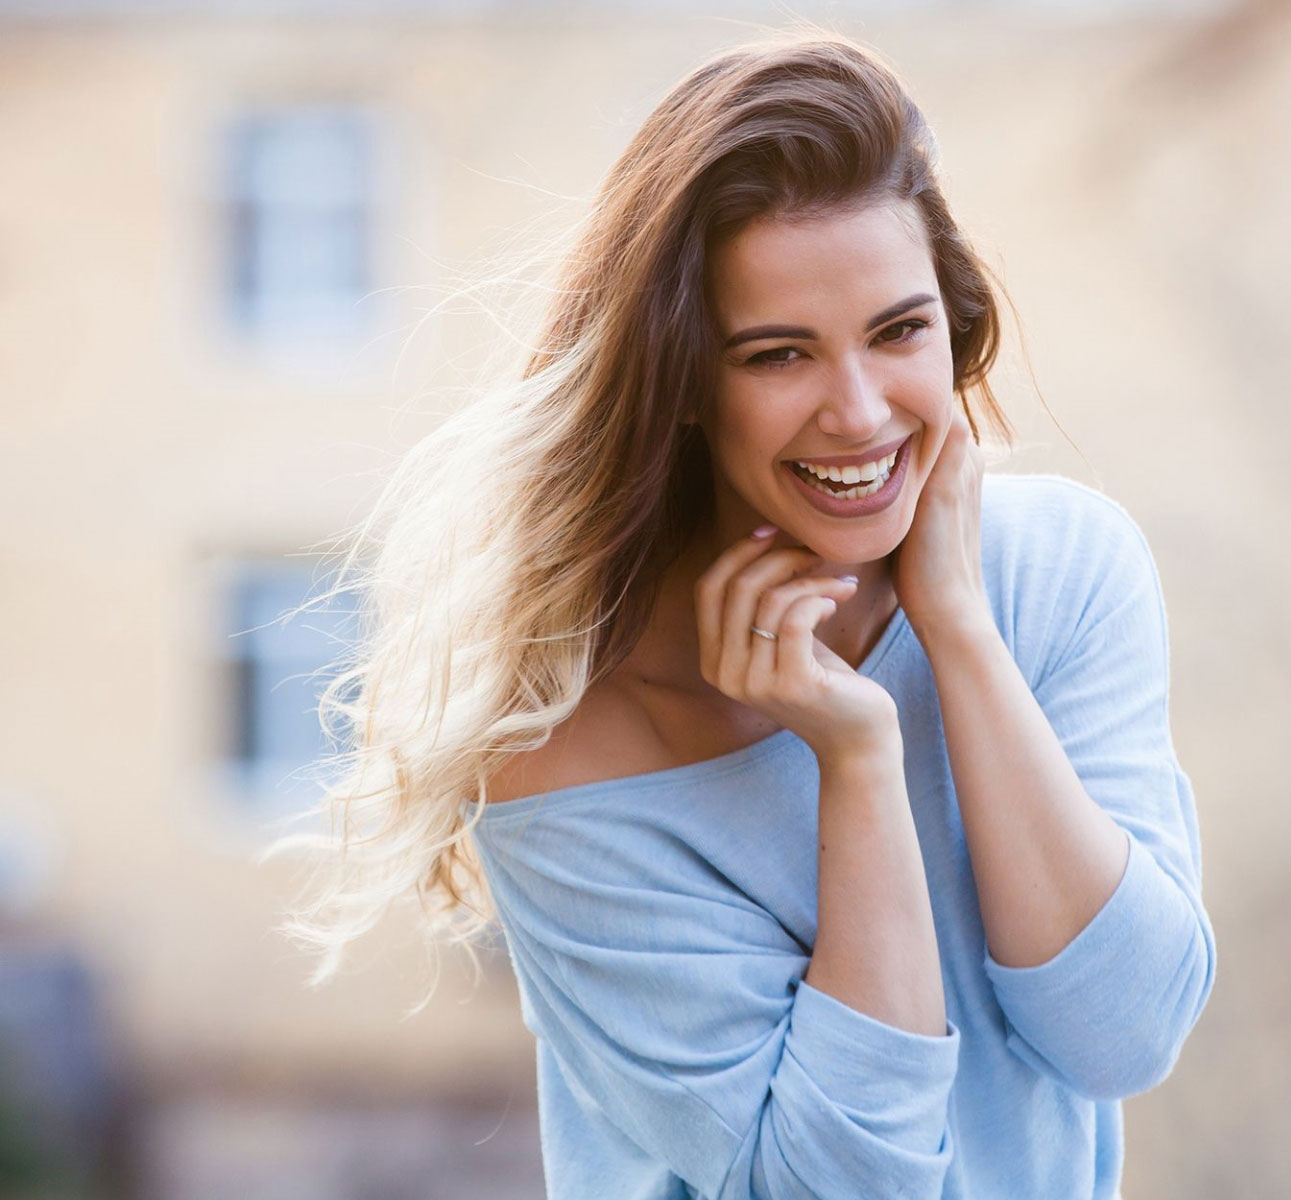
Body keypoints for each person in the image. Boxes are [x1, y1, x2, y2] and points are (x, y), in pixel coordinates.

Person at [271, 30, 1215, 1200]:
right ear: (681, 382)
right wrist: (856, 760)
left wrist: (961, 633)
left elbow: (1125, 1038)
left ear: (954, 322)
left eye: (900, 330)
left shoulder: (1062, 571)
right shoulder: (567, 739)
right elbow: (845, 1187)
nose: (858, 412)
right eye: (778, 355)